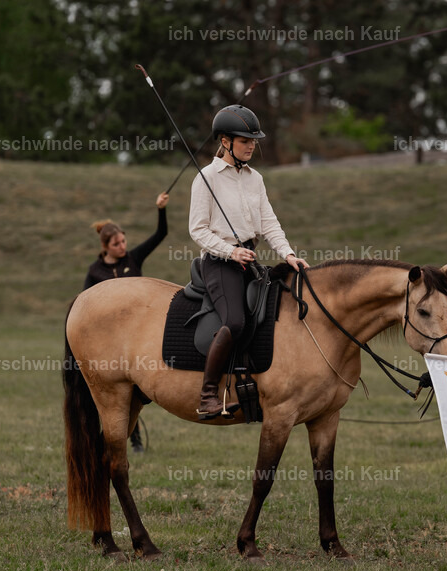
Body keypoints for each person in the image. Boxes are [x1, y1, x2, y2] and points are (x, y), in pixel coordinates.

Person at [189, 104, 309, 418]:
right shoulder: (207, 178)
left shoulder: (255, 178)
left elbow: (269, 222)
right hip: (219, 262)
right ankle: (207, 395)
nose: (252, 145)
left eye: (254, 140)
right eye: (246, 140)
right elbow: (197, 229)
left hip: (249, 261)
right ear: (225, 141)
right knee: (236, 321)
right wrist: (230, 252)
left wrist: (289, 254)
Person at [83, 192, 171, 452]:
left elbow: (160, 235)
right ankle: (114, 438)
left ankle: (135, 441)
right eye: (117, 244)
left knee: (135, 391)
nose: (122, 246)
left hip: (136, 335)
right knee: (116, 393)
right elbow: (84, 303)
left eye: (123, 241)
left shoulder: (133, 258)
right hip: (108, 339)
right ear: (105, 247)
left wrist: (161, 210)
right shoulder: (94, 272)